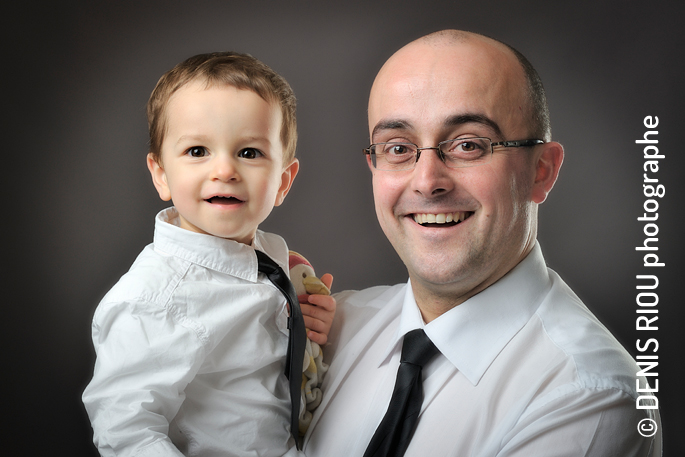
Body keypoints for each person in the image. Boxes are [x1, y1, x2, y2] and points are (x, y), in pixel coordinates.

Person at [303, 30, 662, 456]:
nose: (427, 181)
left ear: (542, 170)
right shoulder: (330, 330)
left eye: (468, 145)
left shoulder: (590, 397)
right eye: (398, 148)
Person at [82, 52, 335, 457]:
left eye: (249, 153)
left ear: (283, 182)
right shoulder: (153, 299)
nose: (225, 170)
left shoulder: (273, 257)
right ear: (161, 173)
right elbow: (125, 428)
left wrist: (310, 328)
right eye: (198, 151)